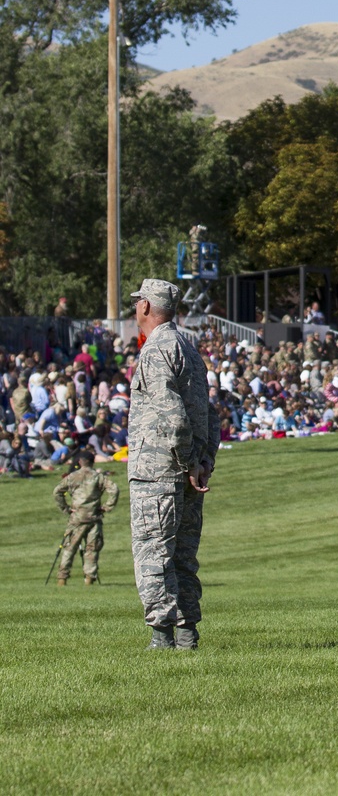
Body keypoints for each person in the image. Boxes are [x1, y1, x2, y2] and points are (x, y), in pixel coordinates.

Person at [127, 278, 220, 650]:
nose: (136, 308)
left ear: (148, 307)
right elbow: (209, 415)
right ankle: (187, 636)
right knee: (182, 556)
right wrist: (201, 462)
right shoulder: (189, 348)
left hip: (159, 471)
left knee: (154, 552)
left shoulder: (155, 350)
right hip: (188, 471)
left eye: (138, 302)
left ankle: (161, 639)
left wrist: (185, 462)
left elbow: (175, 417)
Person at [53, 447, 119, 585]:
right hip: (94, 517)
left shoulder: (72, 476)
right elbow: (114, 489)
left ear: (80, 462)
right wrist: (106, 507)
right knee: (92, 549)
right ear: (92, 462)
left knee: (69, 548)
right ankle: (89, 578)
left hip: (76, 517)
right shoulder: (98, 476)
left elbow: (57, 492)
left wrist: (65, 508)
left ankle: (62, 578)